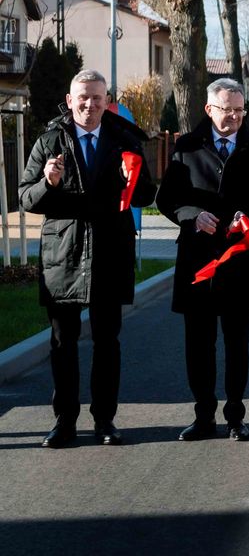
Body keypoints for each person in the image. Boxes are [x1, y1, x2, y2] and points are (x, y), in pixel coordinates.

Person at [19, 69, 156, 448]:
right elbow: (26, 198)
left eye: (97, 98)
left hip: (111, 253)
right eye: (83, 97)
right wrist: (48, 182)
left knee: (107, 341)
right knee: (63, 343)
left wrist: (135, 177)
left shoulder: (125, 139)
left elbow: (146, 196)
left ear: (106, 101)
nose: (89, 105)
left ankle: (105, 420)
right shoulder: (50, 140)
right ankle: (64, 421)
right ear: (69, 100)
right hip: (65, 255)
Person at [156, 78, 249, 441]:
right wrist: (193, 215)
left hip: (239, 260)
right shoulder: (186, 146)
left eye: (240, 111)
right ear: (210, 109)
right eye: (228, 111)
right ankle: (203, 415)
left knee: (237, 342)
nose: (235, 117)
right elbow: (168, 200)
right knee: (199, 343)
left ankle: (236, 415)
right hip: (197, 261)